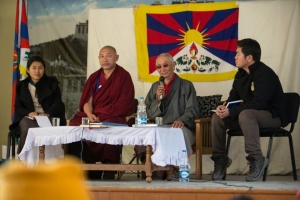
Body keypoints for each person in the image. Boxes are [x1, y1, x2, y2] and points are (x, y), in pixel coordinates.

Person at [211, 38, 288, 182]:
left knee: (246, 114)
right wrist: (224, 107)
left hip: (272, 116)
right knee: (217, 117)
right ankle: (220, 160)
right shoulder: (240, 74)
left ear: (249, 57)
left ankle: (256, 158)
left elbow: (259, 103)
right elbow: (234, 97)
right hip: (248, 117)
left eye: (237, 54)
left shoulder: (265, 74)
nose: (235, 57)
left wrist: (233, 112)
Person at [68, 45, 135, 179]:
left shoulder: (124, 76)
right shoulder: (94, 77)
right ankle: (88, 165)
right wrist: (89, 114)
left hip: (112, 115)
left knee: (110, 125)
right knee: (74, 124)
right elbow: (87, 101)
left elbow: (125, 102)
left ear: (116, 58)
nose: (105, 59)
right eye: (102, 56)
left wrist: (101, 112)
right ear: (99, 59)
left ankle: (109, 165)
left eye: (109, 55)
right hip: (94, 114)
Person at [144, 53, 200, 158]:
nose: (162, 69)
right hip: (160, 127)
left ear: (173, 65)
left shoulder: (186, 85)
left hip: (181, 127)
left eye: (166, 65)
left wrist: (182, 120)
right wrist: (158, 99)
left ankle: (174, 168)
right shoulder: (155, 87)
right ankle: (155, 168)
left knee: (177, 133)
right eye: (159, 67)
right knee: (148, 134)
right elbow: (147, 111)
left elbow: (192, 110)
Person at [9, 55, 66, 154]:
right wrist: (29, 113)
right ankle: (23, 158)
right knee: (27, 126)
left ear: (44, 69)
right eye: (34, 68)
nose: (37, 71)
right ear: (27, 70)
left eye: (40, 68)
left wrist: (47, 113)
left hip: (49, 116)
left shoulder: (52, 83)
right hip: (30, 117)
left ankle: (52, 162)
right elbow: (18, 107)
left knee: (53, 126)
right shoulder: (21, 86)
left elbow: (58, 103)